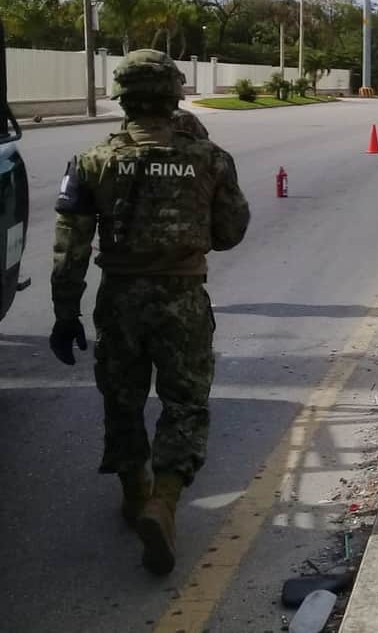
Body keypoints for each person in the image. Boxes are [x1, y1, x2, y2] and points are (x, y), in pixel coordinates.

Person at [50, 49, 250, 576]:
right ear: (175, 96)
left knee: (123, 397)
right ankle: (164, 500)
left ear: (121, 97)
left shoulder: (92, 160)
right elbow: (230, 233)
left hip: (119, 300)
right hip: (183, 299)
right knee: (185, 402)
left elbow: (70, 249)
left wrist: (65, 313)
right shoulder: (209, 158)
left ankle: (134, 492)